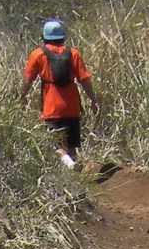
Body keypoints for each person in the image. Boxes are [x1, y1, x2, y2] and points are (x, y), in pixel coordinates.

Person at [19, 19, 100, 169]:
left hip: (51, 106)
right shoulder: (74, 53)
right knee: (71, 146)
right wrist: (93, 100)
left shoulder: (38, 54)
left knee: (54, 144)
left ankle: (69, 165)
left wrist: (22, 96)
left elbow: (28, 79)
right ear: (62, 36)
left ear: (44, 37)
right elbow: (84, 79)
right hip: (72, 105)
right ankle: (76, 175)